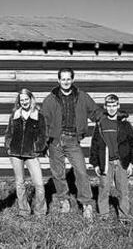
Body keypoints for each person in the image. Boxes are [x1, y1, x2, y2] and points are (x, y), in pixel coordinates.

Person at [42, 68, 103, 221]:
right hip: (55, 141)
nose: (66, 82)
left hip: (73, 140)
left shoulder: (82, 96)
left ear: (73, 80)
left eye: (69, 79)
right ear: (58, 81)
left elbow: (95, 112)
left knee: (81, 172)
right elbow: (43, 122)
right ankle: (64, 200)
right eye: (63, 79)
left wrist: (109, 119)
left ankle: (87, 204)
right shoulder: (51, 98)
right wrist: (44, 144)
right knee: (58, 173)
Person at [89, 94, 133, 223]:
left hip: (121, 162)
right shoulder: (100, 124)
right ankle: (103, 215)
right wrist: (96, 164)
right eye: (109, 105)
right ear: (105, 107)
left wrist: (131, 163)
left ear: (118, 106)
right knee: (104, 188)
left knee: (123, 190)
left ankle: (124, 215)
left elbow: (132, 143)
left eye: (114, 105)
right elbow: (94, 145)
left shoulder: (125, 125)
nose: (111, 108)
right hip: (106, 162)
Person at [4, 88, 47, 217]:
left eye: (26, 99)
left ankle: (40, 212)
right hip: (16, 153)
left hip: (31, 154)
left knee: (39, 183)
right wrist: (8, 146)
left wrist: (36, 147)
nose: (24, 102)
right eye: (21, 100)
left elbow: (43, 135)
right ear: (19, 102)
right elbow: (8, 133)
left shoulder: (38, 116)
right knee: (20, 183)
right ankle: (24, 211)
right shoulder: (15, 115)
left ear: (31, 99)